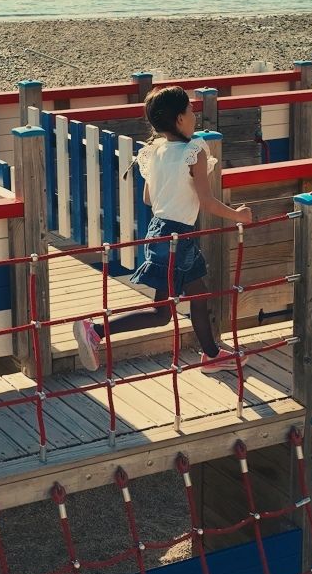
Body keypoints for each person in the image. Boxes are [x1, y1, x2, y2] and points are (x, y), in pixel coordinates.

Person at [73, 86, 251, 371]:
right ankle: (95, 330)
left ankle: (210, 355)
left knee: (182, 303)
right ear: (179, 119)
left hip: (160, 231)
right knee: (174, 308)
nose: (194, 116)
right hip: (177, 236)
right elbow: (206, 202)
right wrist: (238, 215)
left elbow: (148, 198)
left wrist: (173, 190)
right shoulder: (194, 151)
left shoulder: (154, 151)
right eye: (190, 110)